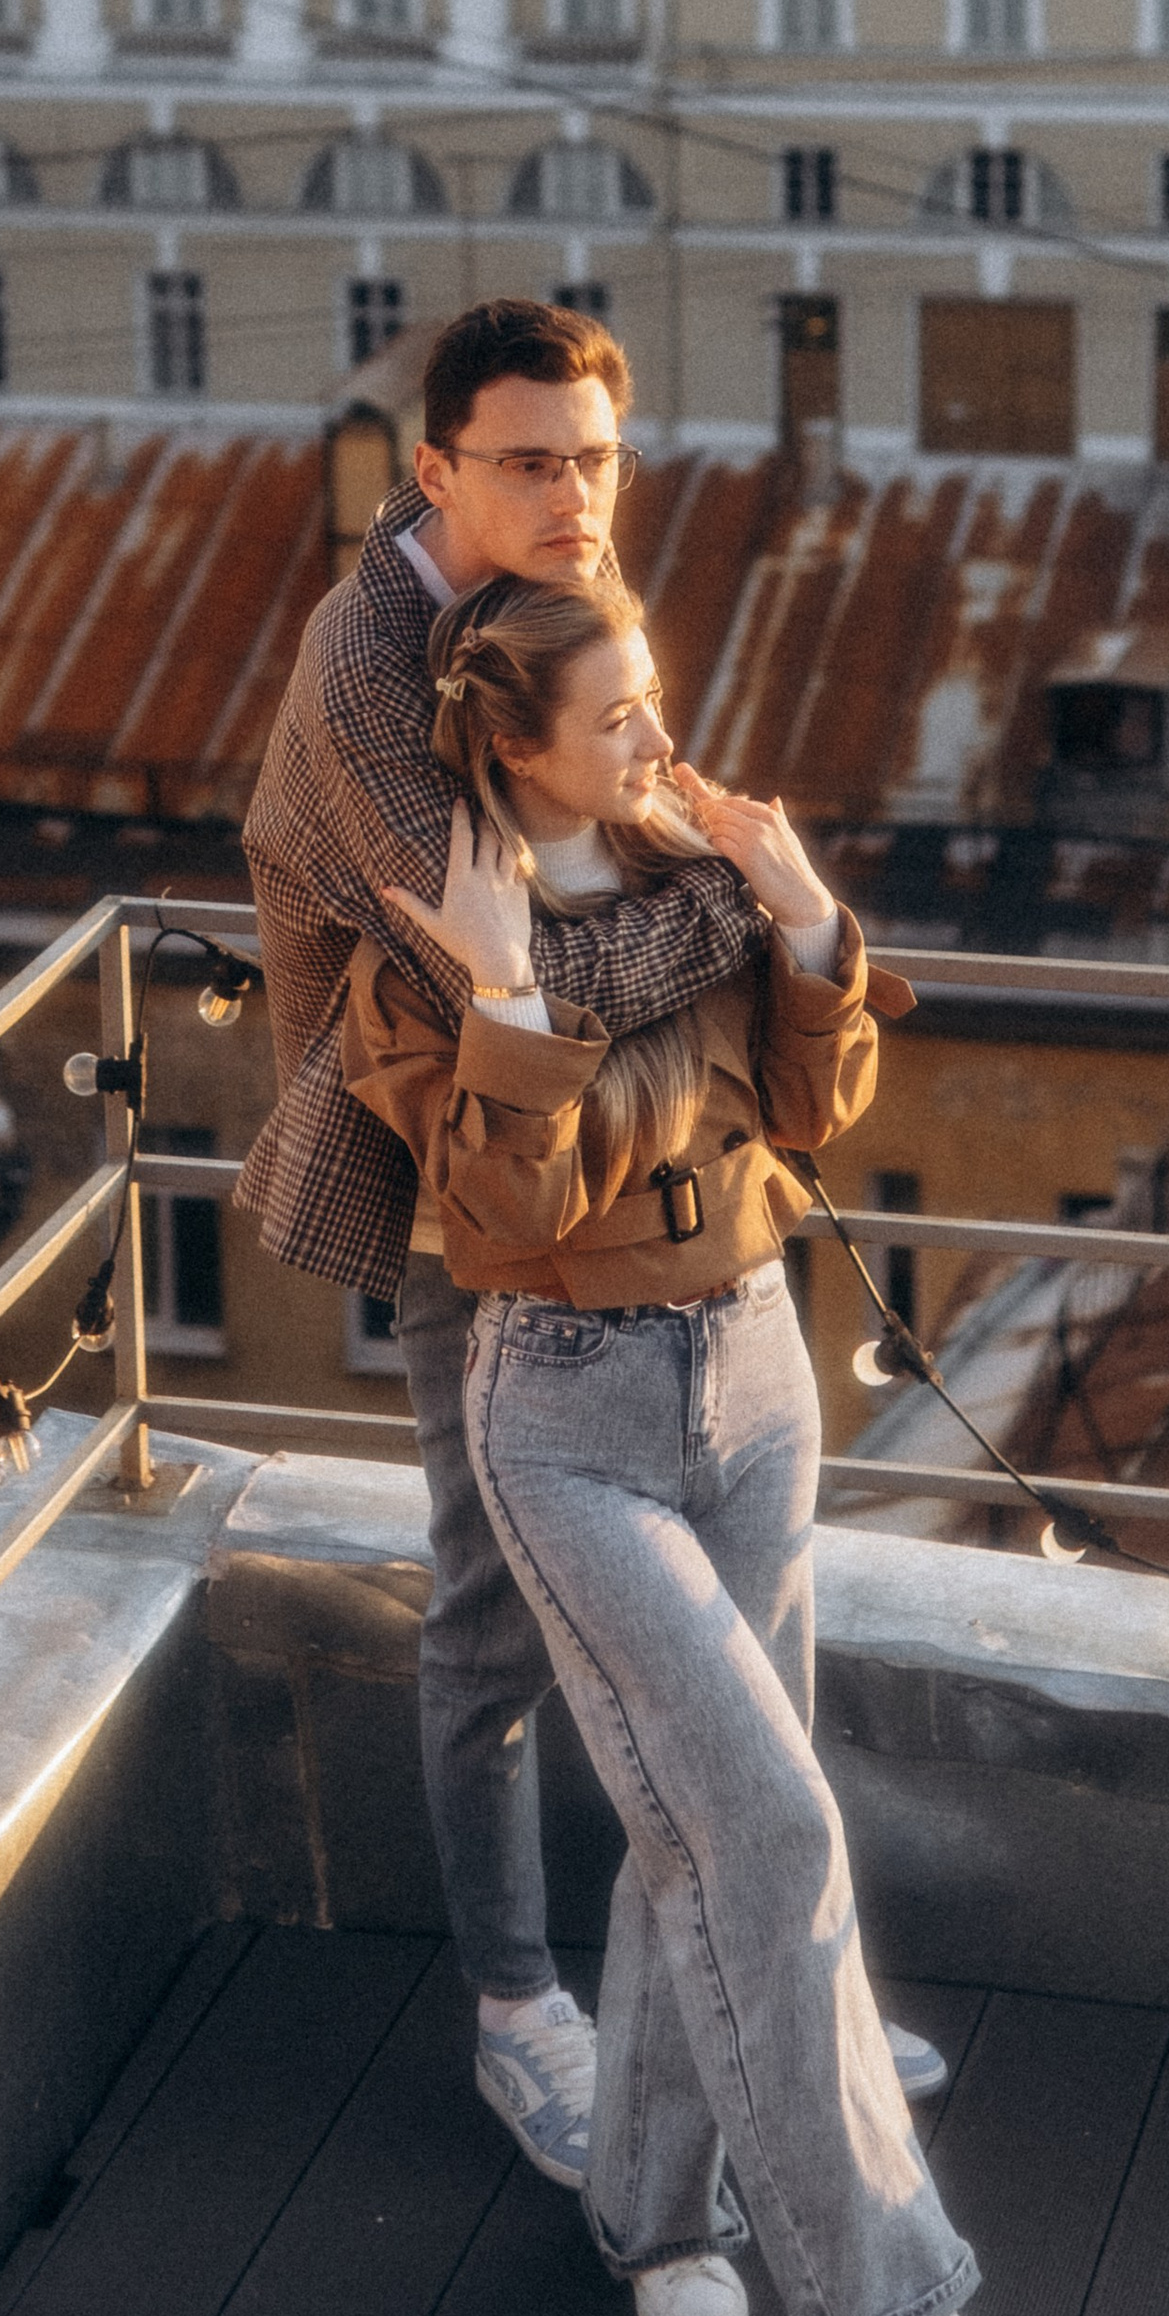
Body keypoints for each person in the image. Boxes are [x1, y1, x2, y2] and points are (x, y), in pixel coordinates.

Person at [233, 300, 941, 2209]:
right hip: (446, 1160)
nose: (576, 497)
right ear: (436, 467)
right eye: (534, 462)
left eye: (599, 460)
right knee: (483, 1606)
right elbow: (503, 982)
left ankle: (757, 2003)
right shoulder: (367, 665)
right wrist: (727, 910)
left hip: (630, 1161)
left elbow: (624, 861)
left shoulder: (558, 576)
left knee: (711, 1626)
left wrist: (703, 904)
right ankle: (518, 2005)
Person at [340, 571, 1051, 2316]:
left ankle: (652, 2219)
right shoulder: (422, 945)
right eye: (622, 719)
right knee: (765, 1820)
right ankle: (896, 2306)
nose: (661, 741)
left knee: (689, 1839)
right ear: (512, 746)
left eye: (657, 701)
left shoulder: (692, 878)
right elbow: (500, 1222)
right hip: (565, 1412)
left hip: (756, 1375)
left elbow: (812, 1113)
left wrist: (809, 915)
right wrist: (503, 995)